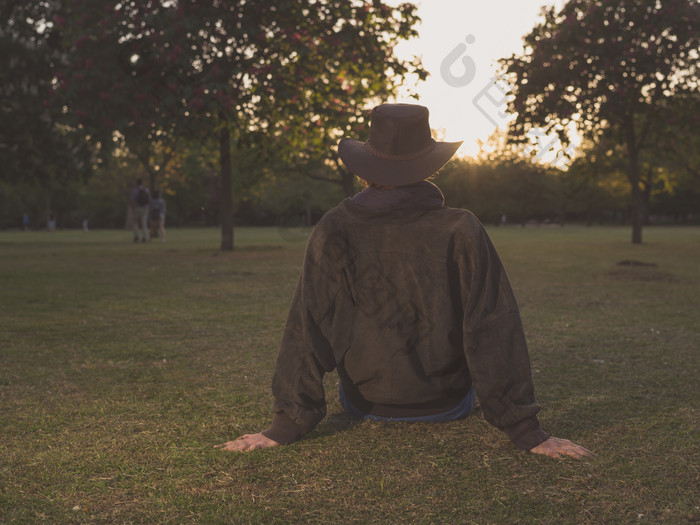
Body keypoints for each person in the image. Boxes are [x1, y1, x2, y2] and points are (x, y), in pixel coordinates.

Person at [216, 104, 592, 460]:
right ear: (428, 167)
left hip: (362, 402)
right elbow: (492, 325)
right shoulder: (462, 227)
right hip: (446, 405)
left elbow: (308, 324)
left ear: (366, 168)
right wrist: (525, 431)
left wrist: (284, 425)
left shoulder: (334, 226)